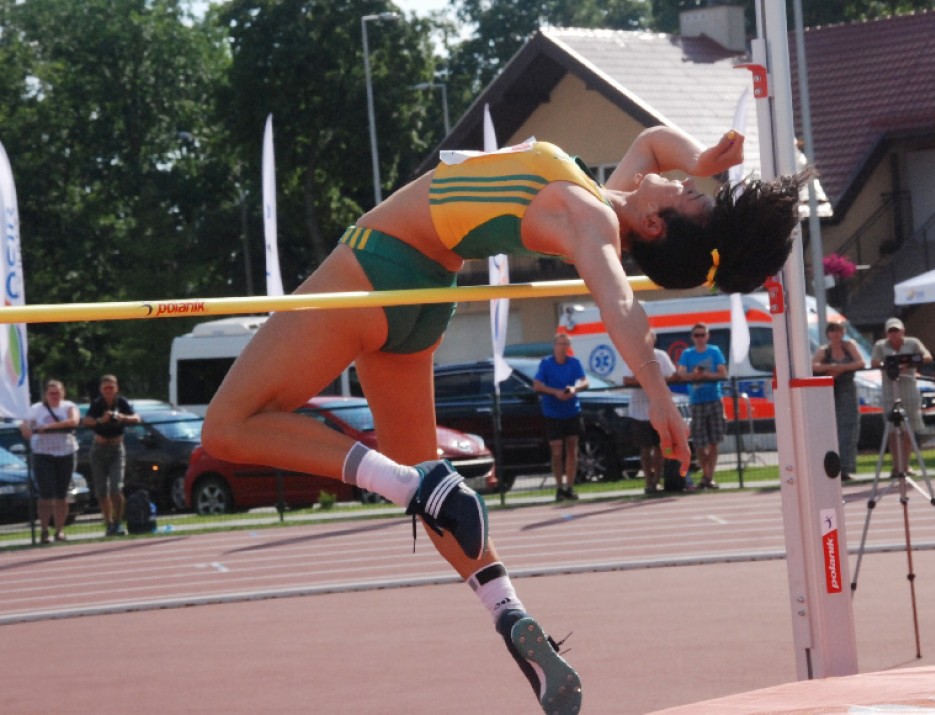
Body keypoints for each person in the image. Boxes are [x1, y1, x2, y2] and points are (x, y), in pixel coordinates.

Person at [202, 123, 804, 714]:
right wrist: (701, 158)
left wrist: (659, 392)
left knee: (228, 427)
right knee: (433, 492)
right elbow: (651, 141)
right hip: (421, 301)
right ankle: (507, 611)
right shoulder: (603, 204)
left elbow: (620, 302)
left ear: (654, 224)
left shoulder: (589, 219)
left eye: (686, 191)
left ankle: (410, 484)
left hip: (377, 265)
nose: (680, 180)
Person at [19, 380, 80, 543]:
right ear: (46, 394)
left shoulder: (69, 406)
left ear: (63, 393)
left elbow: (73, 421)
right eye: (51, 393)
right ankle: (44, 530)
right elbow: (25, 424)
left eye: (57, 393)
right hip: (43, 453)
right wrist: (24, 427)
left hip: (66, 452)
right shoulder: (36, 409)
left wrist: (49, 427)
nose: (54, 396)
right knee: (45, 494)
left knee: (62, 494)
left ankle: (59, 530)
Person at [870, 317, 932, 477]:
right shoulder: (880, 345)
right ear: (886, 333)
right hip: (890, 391)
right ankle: (896, 466)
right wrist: (889, 365)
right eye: (891, 331)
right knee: (892, 430)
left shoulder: (913, 343)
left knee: (908, 430)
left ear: (902, 331)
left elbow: (927, 356)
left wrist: (907, 363)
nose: (894, 334)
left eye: (896, 330)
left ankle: (905, 465)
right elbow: (874, 362)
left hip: (909, 390)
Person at [81, 375, 140, 536]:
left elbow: (137, 418)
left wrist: (122, 417)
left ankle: (118, 521)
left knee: (116, 487)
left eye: (111, 387)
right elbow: (86, 420)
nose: (108, 391)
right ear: (101, 389)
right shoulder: (97, 403)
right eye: (105, 388)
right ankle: (108, 523)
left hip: (116, 448)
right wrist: (101, 420)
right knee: (101, 490)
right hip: (99, 448)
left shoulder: (122, 402)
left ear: (116, 388)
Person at [533, 334, 589, 501]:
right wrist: (555, 392)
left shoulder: (574, 363)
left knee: (572, 449)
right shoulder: (546, 364)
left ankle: (570, 487)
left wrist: (574, 389)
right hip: (553, 413)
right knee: (557, 451)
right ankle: (559, 487)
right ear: (554, 345)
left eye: (566, 344)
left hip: (572, 411)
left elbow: (585, 381)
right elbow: (537, 385)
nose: (563, 347)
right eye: (560, 344)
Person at [812, 321, 865, 481]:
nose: (835, 334)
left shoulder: (849, 346)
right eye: (832, 331)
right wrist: (835, 368)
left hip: (847, 389)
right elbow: (814, 366)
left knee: (849, 427)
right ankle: (829, 468)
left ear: (843, 332)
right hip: (829, 390)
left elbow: (860, 362)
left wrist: (840, 369)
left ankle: (846, 467)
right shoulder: (824, 350)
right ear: (828, 334)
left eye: (838, 330)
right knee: (829, 428)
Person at [676, 323, 727, 489]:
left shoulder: (714, 351)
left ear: (707, 336)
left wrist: (706, 375)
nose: (699, 338)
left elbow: (723, 373)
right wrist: (694, 375)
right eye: (696, 335)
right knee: (699, 442)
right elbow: (681, 374)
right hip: (696, 401)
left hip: (714, 399)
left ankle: (709, 476)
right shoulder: (687, 354)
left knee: (714, 441)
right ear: (692, 337)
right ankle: (706, 474)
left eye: (702, 335)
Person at [623, 347, 676, 495]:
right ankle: (648, 481)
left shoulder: (661, 355)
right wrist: (648, 381)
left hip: (660, 410)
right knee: (645, 449)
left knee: (660, 448)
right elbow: (627, 379)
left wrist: (656, 381)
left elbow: (673, 376)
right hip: (639, 412)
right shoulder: (632, 355)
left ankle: (657, 480)